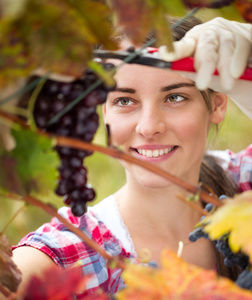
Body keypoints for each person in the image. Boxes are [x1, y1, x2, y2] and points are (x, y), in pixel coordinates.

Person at [11, 16, 252, 298]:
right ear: (104, 112)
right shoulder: (71, 256)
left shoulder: (242, 187)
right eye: (124, 101)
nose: (149, 127)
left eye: (174, 97)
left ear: (218, 104)